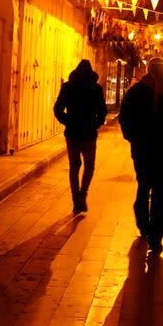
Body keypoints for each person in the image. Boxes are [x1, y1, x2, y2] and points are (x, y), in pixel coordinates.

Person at [119, 57, 163, 254]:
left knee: (144, 186)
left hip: (142, 149)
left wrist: (132, 137)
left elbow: (124, 116)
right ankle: (156, 237)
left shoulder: (136, 91)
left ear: (148, 69)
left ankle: (144, 225)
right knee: (162, 192)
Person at [53, 59, 108, 214]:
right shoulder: (96, 88)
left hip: (72, 133)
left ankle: (75, 199)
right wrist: (95, 123)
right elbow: (103, 111)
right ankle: (83, 193)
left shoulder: (68, 87)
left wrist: (67, 121)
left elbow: (57, 109)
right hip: (89, 133)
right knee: (89, 165)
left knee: (74, 166)